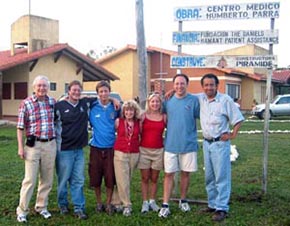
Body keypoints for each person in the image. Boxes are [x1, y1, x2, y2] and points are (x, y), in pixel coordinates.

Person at [198, 73, 244, 222]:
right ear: (203, 87)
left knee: (221, 177)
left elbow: (237, 119)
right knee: (209, 177)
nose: (209, 87)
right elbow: (184, 93)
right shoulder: (201, 99)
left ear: (217, 86)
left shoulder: (225, 100)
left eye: (212, 84)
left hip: (220, 144)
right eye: (206, 85)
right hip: (206, 143)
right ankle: (212, 204)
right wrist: (172, 91)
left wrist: (232, 134)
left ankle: (222, 207)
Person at [16, 75, 57, 223]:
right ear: (34, 87)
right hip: (33, 147)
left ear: (48, 87)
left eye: (44, 86)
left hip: (50, 145)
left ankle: (41, 206)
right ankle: (22, 210)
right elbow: (20, 128)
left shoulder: (53, 102)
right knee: (30, 180)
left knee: (47, 179)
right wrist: (21, 147)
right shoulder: (26, 103)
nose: (42, 88)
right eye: (39, 86)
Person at [158, 74, 200, 218]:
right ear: (173, 85)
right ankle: (165, 204)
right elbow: (155, 110)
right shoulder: (168, 101)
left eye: (182, 83)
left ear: (187, 84)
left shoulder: (194, 100)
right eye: (177, 84)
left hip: (188, 144)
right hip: (170, 144)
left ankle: (183, 200)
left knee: (185, 174)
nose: (179, 86)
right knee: (168, 174)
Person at [54, 80, 90, 220]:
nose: (76, 92)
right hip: (64, 149)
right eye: (73, 90)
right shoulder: (59, 106)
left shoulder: (85, 103)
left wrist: (112, 99)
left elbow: (103, 97)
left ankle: (78, 207)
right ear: (68, 91)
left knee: (78, 180)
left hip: (79, 150)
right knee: (63, 179)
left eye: (78, 90)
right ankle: (63, 204)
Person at [88, 80, 120, 215]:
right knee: (96, 178)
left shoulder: (116, 107)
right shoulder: (92, 106)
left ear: (109, 92)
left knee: (110, 177)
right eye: (101, 91)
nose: (103, 94)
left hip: (111, 148)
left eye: (106, 91)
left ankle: (108, 203)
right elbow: (76, 98)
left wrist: (114, 100)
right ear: (97, 93)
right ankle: (99, 202)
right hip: (95, 147)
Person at [138, 93, 166, 214]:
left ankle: (152, 201)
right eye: (152, 102)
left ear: (160, 104)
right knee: (145, 178)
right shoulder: (143, 116)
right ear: (148, 103)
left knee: (154, 178)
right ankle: (144, 202)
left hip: (158, 150)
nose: (155, 104)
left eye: (157, 102)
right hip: (144, 150)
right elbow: (138, 132)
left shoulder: (164, 117)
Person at [113, 100, 141, 217]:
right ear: (123, 112)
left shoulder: (139, 123)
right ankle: (127, 205)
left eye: (131, 110)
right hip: (120, 152)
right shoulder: (119, 121)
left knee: (126, 178)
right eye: (127, 110)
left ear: (135, 112)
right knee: (122, 178)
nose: (129, 112)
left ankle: (116, 202)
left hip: (134, 153)